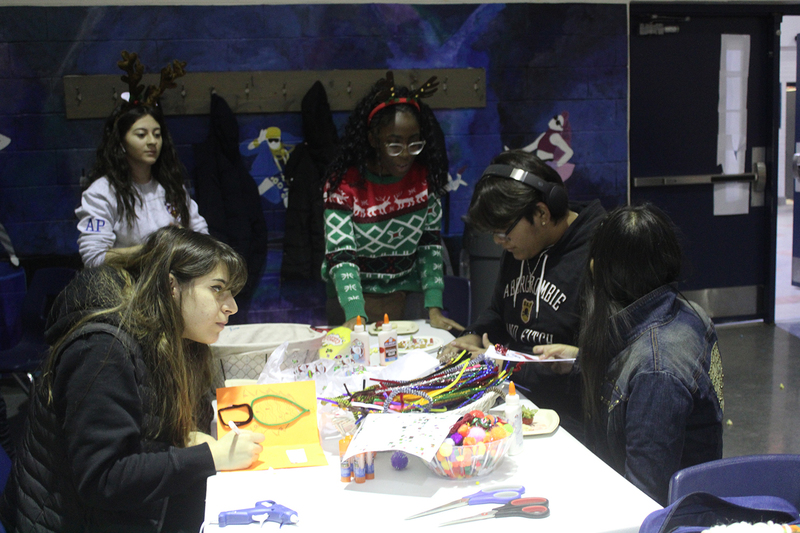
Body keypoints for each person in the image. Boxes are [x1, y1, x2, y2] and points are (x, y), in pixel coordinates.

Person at [0, 226, 265, 532]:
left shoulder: (177, 338)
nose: (231, 306)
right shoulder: (102, 350)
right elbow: (104, 478)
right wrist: (210, 457)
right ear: (171, 286)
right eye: (217, 288)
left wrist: (188, 440)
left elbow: (150, 436)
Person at [439, 149, 606, 439]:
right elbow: (499, 311)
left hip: (571, 420)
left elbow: (596, 360)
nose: (498, 242)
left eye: (504, 232)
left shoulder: (599, 251)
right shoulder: (520, 248)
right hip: (518, 399)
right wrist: (475, 334)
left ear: (541, 214)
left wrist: (506, 364)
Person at [577, 204, 723, 505]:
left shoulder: (656, 371)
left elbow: (643, 498)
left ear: (599, 269)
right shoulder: (691, 314)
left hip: (654, 513)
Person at [322, 71, 462, 332]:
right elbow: (341, 256)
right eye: (394, 145)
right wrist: (355, 313)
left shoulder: (424, 181)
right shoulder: (343, 185)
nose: (406, 154)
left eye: (414, 144)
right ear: (374, 140)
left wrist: (434, 308)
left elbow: (430, 247)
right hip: (351, 299)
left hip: (407, 295)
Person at [76, 51, 208, 268]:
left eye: (157, 134)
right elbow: (94, 258)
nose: (152, 142)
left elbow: (202, 236)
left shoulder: (171, 186)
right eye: (141, 135)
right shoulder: (102, 193)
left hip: (173, 282)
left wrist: (185, 245)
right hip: (127, 285)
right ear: (121, 142)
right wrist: (154, 249)